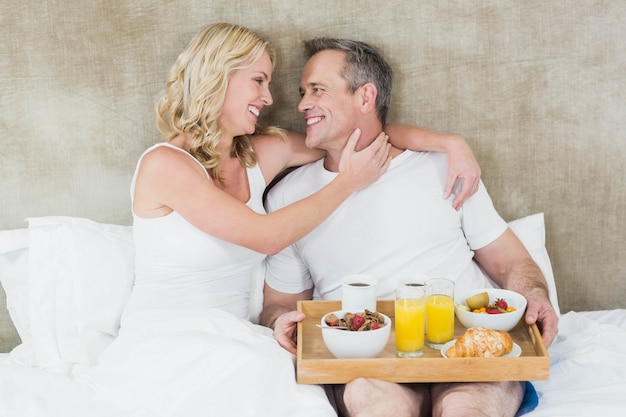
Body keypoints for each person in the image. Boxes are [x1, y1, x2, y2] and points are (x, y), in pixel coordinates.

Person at [72, 24, 482, 416]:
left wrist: (450, 143)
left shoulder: (260, 154)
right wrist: (348, 183)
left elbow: (355, 134)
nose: (269, 98)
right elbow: (266, 237)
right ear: (219, 76)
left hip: (239, 336)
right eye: (259, 81)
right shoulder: (164, 165)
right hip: (172, 337)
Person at [261, 37, 559, 417]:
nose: (302, 104)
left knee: (465, 408)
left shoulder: (444, 168)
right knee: (374, 404)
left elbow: (511, 264)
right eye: (303, 92)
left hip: (468, 351)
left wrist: (536, 295)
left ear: (365, 97)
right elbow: (281, 303)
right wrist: (279, 321)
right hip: (367, 361)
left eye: (317, 90)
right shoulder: (289, 196)